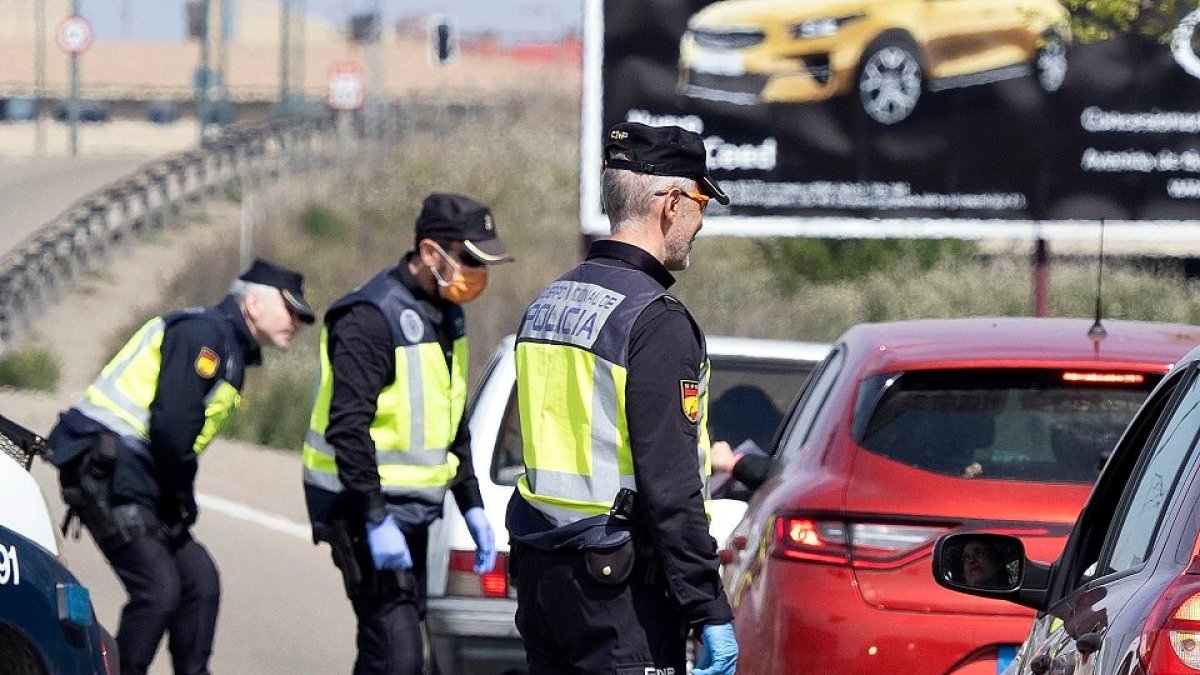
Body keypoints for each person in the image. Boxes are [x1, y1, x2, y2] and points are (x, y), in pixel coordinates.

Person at [506, 121, 739, 675]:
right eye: (701, 203)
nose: (701, 222)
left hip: (544, 574)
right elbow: (671, 485)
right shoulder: (655, 320)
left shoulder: (548, 302)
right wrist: (707, 606)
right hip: (618, 593)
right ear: (672, 204)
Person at [45, 258, 315, 675]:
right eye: (290, 309)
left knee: (200, 581)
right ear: (254, 303)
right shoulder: (204, 336)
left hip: (140, 477)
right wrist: (182, 495)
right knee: (158, 591)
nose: (297, 322)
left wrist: (176, 497)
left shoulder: (226, 346)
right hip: (106, 468)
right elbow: (171, 430)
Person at [301, 192, 512, 675]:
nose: (478, 273)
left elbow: (451, 421)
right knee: (398, 656)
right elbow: (348, 429)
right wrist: (374, 518)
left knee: (389, 651)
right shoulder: (368, 317)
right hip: (360, 508)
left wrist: (473, 506)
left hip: (414, 513)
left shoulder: (447, 314)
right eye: (469, 260)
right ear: (430, 252)